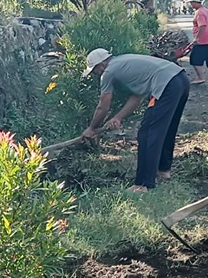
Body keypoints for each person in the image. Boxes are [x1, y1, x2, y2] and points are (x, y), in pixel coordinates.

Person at [81, 48, 191, 193]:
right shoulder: (124, 61)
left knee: (147, 133)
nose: (96, 73)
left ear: (101, 65)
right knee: (167, 128)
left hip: (167, 85)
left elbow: (103, 105)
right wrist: (118, 117)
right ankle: (163, 171)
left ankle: (143, 184)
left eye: (95, 70)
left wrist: (92, 128)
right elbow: (137, 97)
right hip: (181, 79)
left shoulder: (108, 72)